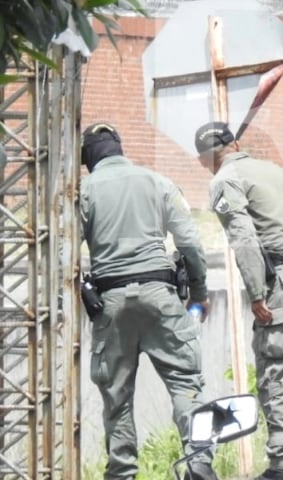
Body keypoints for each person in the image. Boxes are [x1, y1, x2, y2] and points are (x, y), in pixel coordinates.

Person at [79, 122, 217, 480]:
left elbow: (64, 249)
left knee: (117, 396)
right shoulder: (157, 181)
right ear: (119, 149)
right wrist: (199, 293)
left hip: (110, 301)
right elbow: (189, 242)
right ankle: (199, 461)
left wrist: (81, 285)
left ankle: (122, 473)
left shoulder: (86, 188)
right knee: (186, 383)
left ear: (89, 158)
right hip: (161, 297)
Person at [194, 121, 283, 480]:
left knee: (275, 374)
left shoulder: (224, 180)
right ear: (237, 143)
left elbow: (243, 238)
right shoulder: (279, 172)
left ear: (203, 159)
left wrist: (256, 291)